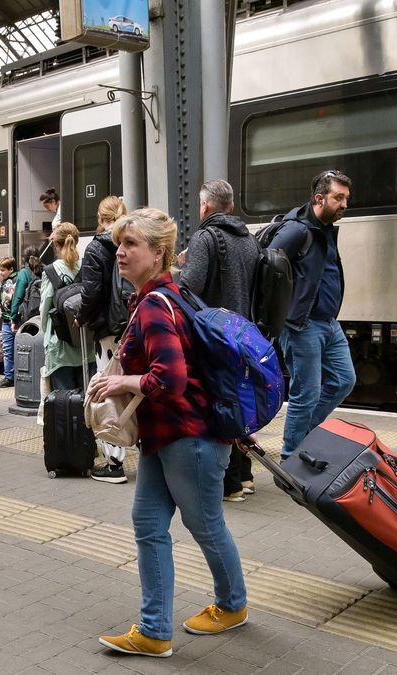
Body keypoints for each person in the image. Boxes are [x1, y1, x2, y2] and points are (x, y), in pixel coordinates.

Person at [88, 208, 248, 658]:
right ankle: (156, 630)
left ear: (158, 253)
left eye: (131, 244)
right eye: (119, 243)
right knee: (148, 524)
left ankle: (232, 604)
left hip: (188, 437)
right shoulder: (163, 296)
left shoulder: (156, 306)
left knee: (206, 525)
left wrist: (122, 382)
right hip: (166, 437)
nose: (120, 252)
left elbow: (171, 379)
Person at [180, 179, 263, 501]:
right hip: (246, 335)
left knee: (219, 407)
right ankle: (245, 476)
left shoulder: (204, 237)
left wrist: (182, 267)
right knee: (239, 405)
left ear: (206, 206)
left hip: (216, 338)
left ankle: (228, 485)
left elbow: (191, 287)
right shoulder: (249, 240)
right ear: (230, 205)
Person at [265, 170, 357, 460]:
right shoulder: (297, 230)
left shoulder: (326, 229)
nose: (344, 204)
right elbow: (268, 267)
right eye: (338, 198)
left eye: (346, 198)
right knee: (306, 395)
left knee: (344, 380)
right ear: (320, 198)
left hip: (329, 323)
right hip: (302, 325)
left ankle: (304, 437)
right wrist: (285, 314)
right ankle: (291, 457)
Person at [77, 196, 130, 484]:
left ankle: (114, 463)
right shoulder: (132, 239)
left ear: (100, 217)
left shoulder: (97, 247)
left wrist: (81, 317)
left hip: (108, 331)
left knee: (107, 390)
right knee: (135, 388)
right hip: (134, 326)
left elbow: (91, 292)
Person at [40, 222, 93, 391]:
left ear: (55, 243)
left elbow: (44, 308)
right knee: (88, 398)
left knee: (64, 402)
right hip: (87, 344)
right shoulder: (87, 265)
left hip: (60, 344)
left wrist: (45, 333)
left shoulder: (50, 271)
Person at [0, 257, 17, 388]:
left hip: (12, 319)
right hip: (6, 318)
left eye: (3, 270)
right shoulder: (4, 281)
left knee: (9, 349)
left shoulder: (15, 280)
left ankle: (10, 376)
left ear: (11, 269)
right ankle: (9, 375)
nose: (1, 273)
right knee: (8, 348)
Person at [10, 245, 42, 328]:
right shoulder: (46, 269)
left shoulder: (24, 273)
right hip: (45, 314)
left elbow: (18, 297)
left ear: (24, 258)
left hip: (29, 317)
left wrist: (14, 319)